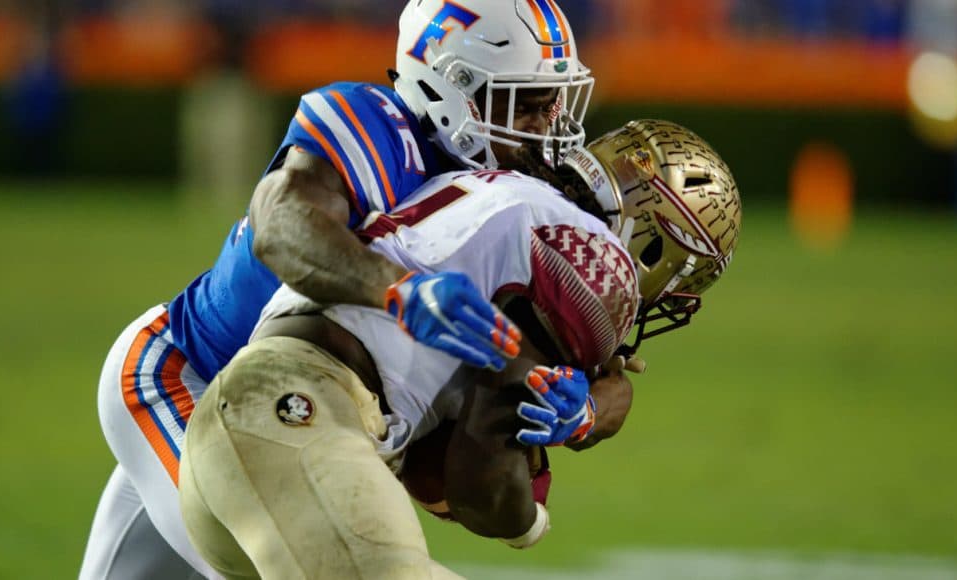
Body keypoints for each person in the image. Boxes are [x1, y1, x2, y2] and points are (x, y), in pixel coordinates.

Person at [79, 1, 598, 578]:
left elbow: (606, 354)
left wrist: (583, 408)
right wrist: (399, 290)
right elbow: (281, 227)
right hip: (194, 377)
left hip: (312, 416)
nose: (545, 127)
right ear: (453, 87)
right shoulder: (377, 126)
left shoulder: (517, 200)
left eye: (550, 103)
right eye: (522, 103)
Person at [176, 120, 742, 579]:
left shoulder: (501, 184)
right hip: (298, 422)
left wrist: (590, 409)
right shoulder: (595, 265)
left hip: (256, 436)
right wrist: (529, 522)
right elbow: (477, 490)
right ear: (649, 248)